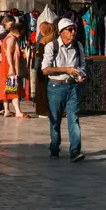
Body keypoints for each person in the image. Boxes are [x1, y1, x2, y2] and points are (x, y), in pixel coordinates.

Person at [41, 18, 87, 162]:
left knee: (73, 118)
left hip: (73, 86)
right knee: (55, 119)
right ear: (61, 32)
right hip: (56, 86)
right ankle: (54, 147)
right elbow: (45, 69)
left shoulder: (78, 46)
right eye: (70, 29)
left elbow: (82, 65)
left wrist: (81, 74)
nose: (73, 32)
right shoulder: (51, 46)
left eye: (74, 29)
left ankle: (75, 151)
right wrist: (66, 69)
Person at [0, 16, 27, 118]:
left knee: (6, 88)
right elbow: (9, 53)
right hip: (9, 66)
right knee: (13, 88)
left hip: (5, 66)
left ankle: (7, 110)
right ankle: (17, 111)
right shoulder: (11, 39)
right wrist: (12, 67)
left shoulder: (7, 37)